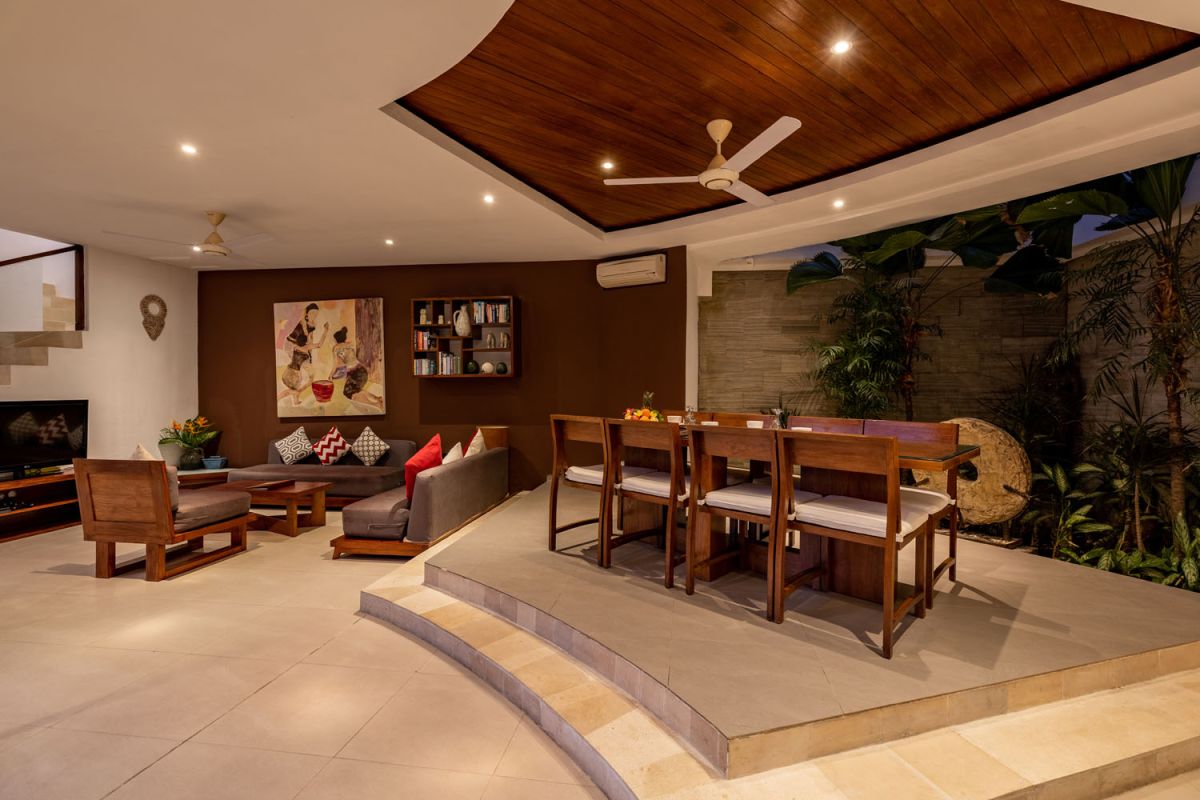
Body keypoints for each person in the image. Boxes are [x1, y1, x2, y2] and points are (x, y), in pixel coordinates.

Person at [278, 303, 329, 405]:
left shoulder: (311, 325)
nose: (314, 315)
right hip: (291, 345)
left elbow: (310, 341)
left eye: (316, 313)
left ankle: (295, 397)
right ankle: (294, 395)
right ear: (307, 314)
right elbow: (312, 343)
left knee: (307, 376)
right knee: (300, 376)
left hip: (298, 349)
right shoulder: (303, 324)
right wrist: (325, 331)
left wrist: (309, 354)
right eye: (312, 313)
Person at [330, 326, 383, 409]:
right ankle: (377, 398)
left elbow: (336, 364)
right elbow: (349, 361)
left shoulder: (336, 348)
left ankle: (376, 405)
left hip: (355, 373)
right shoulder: (349, 345)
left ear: (336, 340)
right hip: (362, 371)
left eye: (334, 340)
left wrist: (330, 375)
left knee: (348, 393)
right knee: (356, 388)